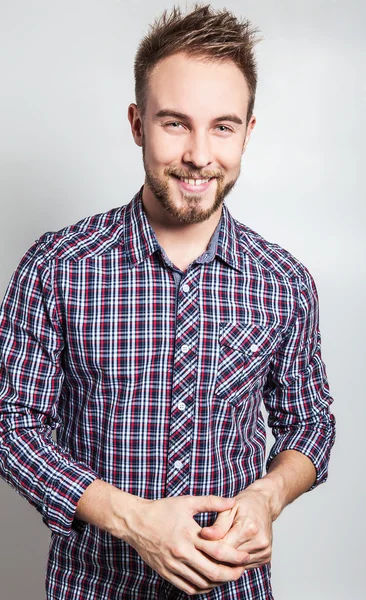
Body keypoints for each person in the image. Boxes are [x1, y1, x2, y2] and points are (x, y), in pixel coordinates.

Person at [0, 4, 336, 599]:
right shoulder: (57, 268)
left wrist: (268, 496)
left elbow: (308, 424)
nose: (200, 155)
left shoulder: (285, 282)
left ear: (249, 131)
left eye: (223, 126)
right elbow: (11, 425)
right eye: (175, 123)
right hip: (93, 586)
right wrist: (135, 520)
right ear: (137, 123)